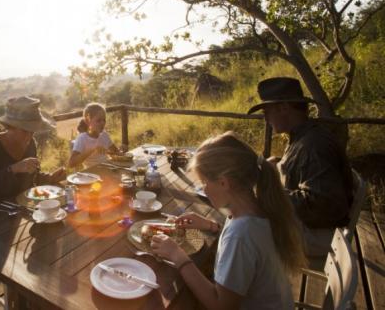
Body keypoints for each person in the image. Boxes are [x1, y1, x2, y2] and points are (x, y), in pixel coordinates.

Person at [151, 132, 306, 310]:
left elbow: (220, 305)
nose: (203, 189)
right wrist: (210, 225)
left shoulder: (240, 235)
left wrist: (177, 256)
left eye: (203, 183)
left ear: (224, 183)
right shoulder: (260, 208)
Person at [248, 77, 353, 256]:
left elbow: (322, 205)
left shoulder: (313, 145)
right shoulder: (305, 137)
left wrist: (270, 193)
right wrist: (280, 165)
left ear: (283, 108)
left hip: (321, 235)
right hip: (315, 228)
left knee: (245, 227)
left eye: (267, 111)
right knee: (244, 214)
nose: (265, 118)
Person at [0, 96, 65, 208]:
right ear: (10, 126)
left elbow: (31, 177)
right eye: (25, 130)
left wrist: (50, 177)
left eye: (32, 130)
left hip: (19, 209)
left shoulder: (30, 144)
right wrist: (13, 169)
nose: (30, 136)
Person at [67, 103, 120, 168]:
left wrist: (120, 150)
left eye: (104, 120)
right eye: (98, 120)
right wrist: (92, 150)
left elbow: (115, 152)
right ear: (88, 121)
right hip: (91, 174)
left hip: (107, 169)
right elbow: (71, 164)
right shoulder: (82, 138)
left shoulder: (104, 135)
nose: (102, 123)